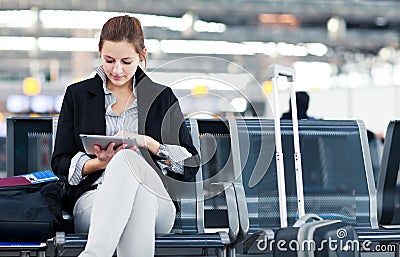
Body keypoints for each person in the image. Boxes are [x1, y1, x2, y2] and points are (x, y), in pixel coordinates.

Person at [51, 15, 199, 257]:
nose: (117, 70)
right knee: (134, 201)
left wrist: (146, 143)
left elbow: (190, 164)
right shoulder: (77, 96)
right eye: (109, 60)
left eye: (126, 61)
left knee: (127, 162)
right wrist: (98, 164)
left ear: (142, 55)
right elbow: (60, 162)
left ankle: (95, 254)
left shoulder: (162, 98)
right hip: (95, 200)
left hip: (157, 201)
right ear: (99, 52)